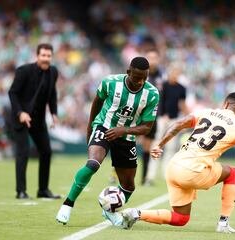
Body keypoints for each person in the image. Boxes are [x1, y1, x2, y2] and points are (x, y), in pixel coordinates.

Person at [116, 92, 235, 233]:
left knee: (181, 218)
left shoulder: (207, 112)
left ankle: (135, 213)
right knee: (232, 172)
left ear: (225, 104)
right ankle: (223, 224)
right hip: (193, 172)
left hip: (173, 167)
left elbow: (178, 124)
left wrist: (160, 144)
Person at [56, 57, 160, 225]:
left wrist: (123, 130)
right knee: (93, 164)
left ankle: (109, 209)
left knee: (128, 186)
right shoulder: (110, 82)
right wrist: (91, 127)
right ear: (128, 72)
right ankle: (68, 204)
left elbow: (147, 127)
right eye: (137, 77)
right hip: (104, 127)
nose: (141, 82)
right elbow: (97, 102)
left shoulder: (152, 93)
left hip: (126, 136)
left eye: (144, 78)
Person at [8, 43, 60, 199]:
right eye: (43, 55)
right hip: (22, 118)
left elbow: (52, 94)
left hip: (38, 119)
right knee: (22, 153)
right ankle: (21, 191)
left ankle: (43, 190)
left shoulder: (53, 72)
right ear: (37, 56)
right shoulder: (24, 71)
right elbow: (12, 93)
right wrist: (20, 113)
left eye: (48, 56)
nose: (45, 58)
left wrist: (54, 113)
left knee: (46, 152)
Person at [145, 63, 187, 185]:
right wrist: (162, 114)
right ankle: (150, 175)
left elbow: (182, 105)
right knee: (157, 145)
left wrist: (185, 120)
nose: (175, 75)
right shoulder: (162, 86)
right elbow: (159, 102)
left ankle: (166, 174)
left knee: (170, 148)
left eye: (177, 73)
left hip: (174, 120)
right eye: (173, 72)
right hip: (161, 119)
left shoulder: (181, 88)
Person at [140, 49, 164, 185]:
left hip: (153, 116)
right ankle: (114, 173)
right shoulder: (141, 73)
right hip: (137, 112)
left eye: (155, 57)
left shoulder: (162, 75)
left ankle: (145, 178)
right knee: (124, 141)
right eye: (150, 57)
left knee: (148, 147)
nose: (152, 60)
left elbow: (164, 96)